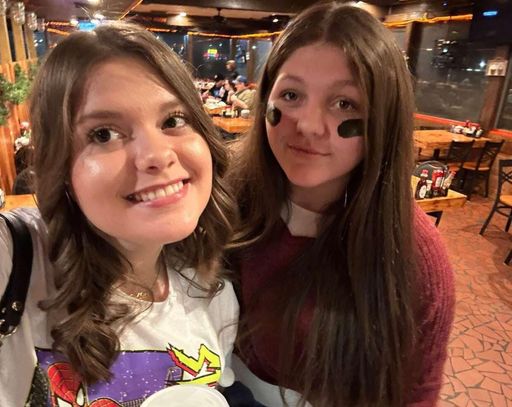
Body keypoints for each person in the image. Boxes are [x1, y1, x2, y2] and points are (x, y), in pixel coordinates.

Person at [0, 22, 239, 406]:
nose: (158, 156)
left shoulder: (215, 293)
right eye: (104, 134)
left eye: (173, 121)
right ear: (60, 166)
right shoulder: (17, 258)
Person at [228, 3, 455, 407]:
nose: (308, 125)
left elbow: (414, 393)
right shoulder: (227, 196)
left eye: (345, 104)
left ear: (382, 119)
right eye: (291, 95)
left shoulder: (412, 254)